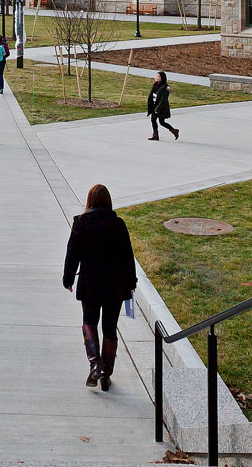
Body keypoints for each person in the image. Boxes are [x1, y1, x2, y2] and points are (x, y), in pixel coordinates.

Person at [62, 184, 136, 392]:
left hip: (90, 284)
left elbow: (72, 254)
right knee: (110, 329)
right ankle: (106, 375)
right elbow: (127, 257)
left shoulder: (81, 223)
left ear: (90, 201)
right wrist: (131, 284)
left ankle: (95, 364)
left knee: (89, 322)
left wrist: (68, 279)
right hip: (115, 286)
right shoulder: (118, 224)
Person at [146, 72, 181, 141]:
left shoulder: (165, 87)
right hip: (154, 105)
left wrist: (157, 109)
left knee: (161, 122)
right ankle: (155, 135)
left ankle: (173, 130)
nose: (156, 78)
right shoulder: (156, 85)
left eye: (158, 76)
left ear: (162, 78)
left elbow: (163, 99)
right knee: (153, 119)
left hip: (161, 107)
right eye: (156, 76)